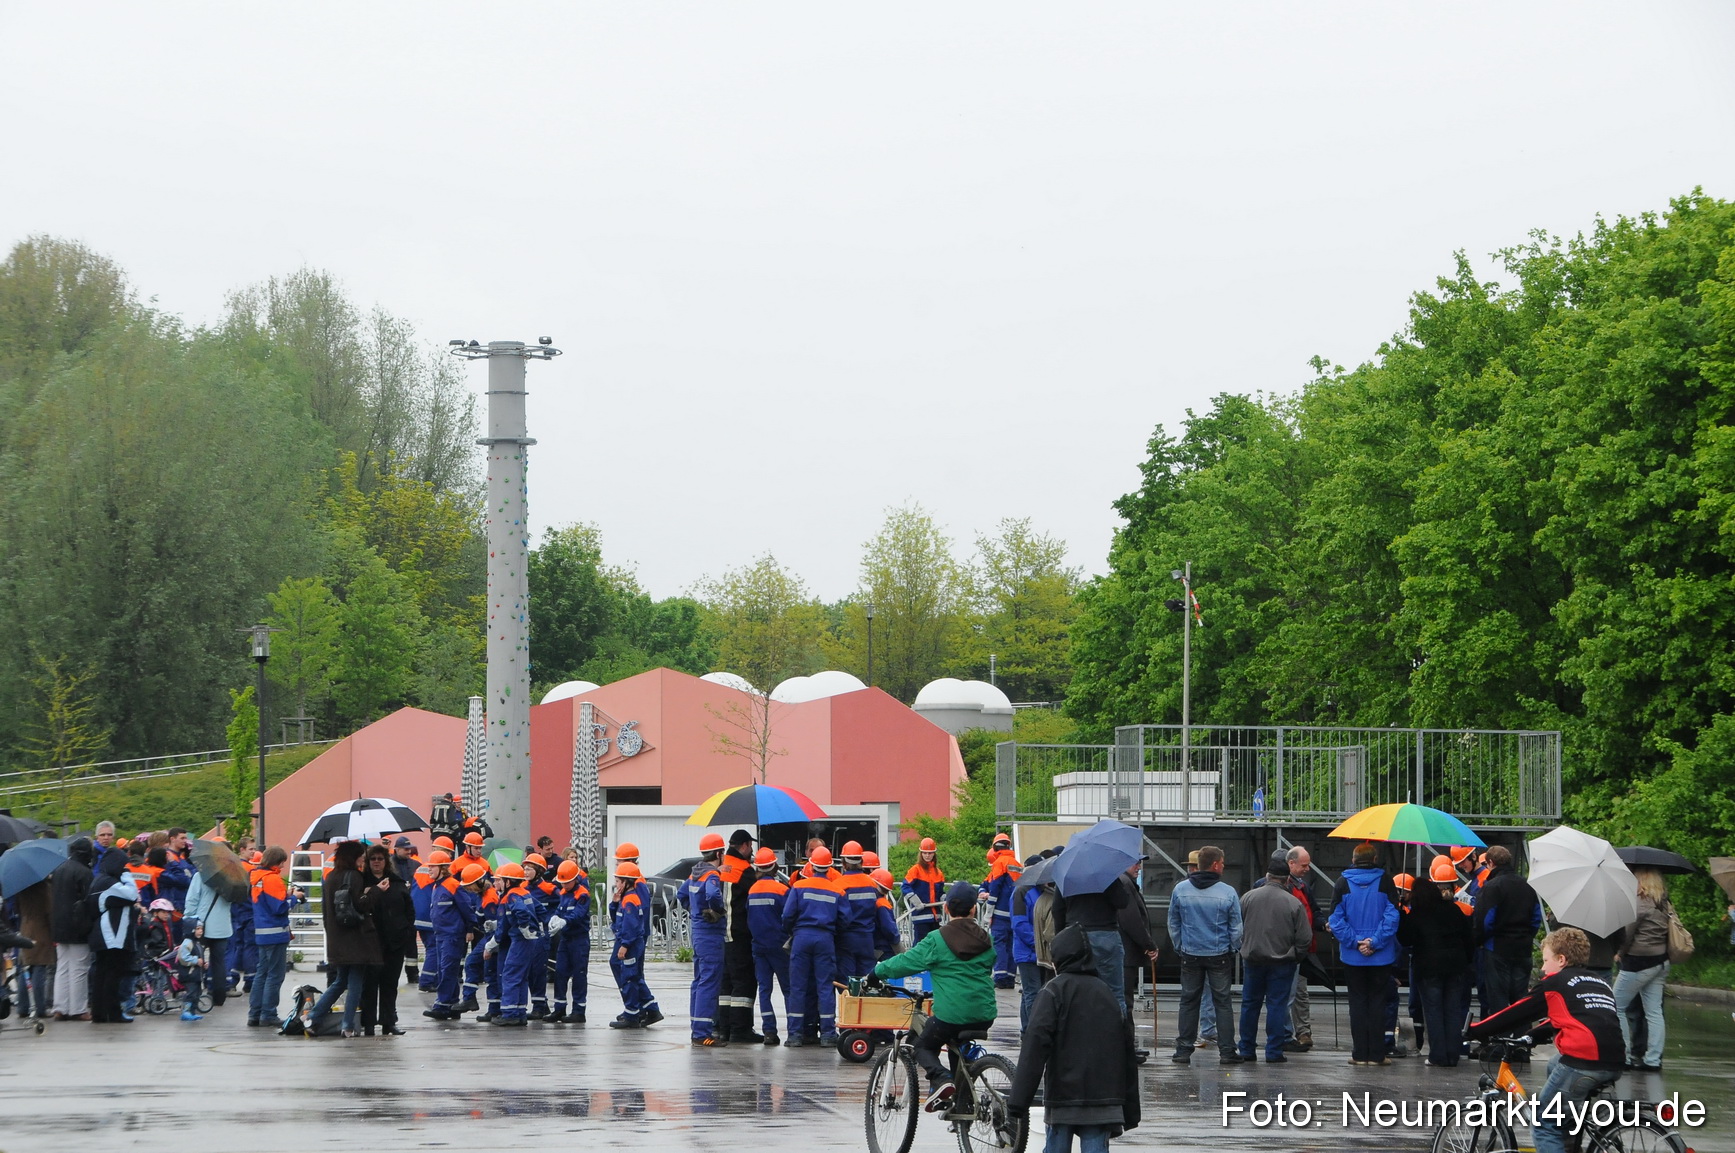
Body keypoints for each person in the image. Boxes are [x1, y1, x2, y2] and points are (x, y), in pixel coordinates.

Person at [1467, 928, 1624, 1153]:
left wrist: (1476, 1031)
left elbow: (1517, 1012)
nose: (1542, 968)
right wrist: (1532, 1036)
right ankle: (1568, 1139)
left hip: (1583, 1060)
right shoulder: (1599, 981)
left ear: (1561, 960)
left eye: (1545, 960)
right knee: (1555, 1064)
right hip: (1614, 1058)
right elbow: (1574, 1019)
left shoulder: (1555, 983)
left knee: (1543, 1122)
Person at [1008, 923, 1142, 1153]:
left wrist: (1018, 1101)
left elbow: (1034, 1047)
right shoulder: (1106, 993)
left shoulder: (1053, 992)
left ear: (1057, 960)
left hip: (1063, 1097)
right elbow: (1126, 1052)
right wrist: (1130, 1108)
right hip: (1103, 1100)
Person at [873, 881, 997, 1113]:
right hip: (984, 1013)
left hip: (951, 1014)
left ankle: (941, 1079)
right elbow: (990, 964)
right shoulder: (985, 939)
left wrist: (876, 972)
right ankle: (963, 1103)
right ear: (973, 909)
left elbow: (906, 962)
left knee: (922, 1046)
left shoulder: (937, 939)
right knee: (955, 1044)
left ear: (947, 908)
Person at [1327, 842, 1401, 1065]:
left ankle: (1359, 1054)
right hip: (1381, 955)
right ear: (1375, 858)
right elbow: (1392, 917)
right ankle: (1378, 1055)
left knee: (1357, 1003)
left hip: (1352, 956)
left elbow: (1335, 920)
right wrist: (1375, 942)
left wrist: (1355, 941)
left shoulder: (1342, 883)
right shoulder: (1386, 881)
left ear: (1353, 859)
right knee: (1378, 1003)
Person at [1168, 845, 1242, 1065]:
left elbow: (1173, 922)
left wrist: (1180, 946)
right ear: (1216, 864)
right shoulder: (1227, 892)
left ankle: (1183, 1051)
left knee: (1188, 1002)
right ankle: (1227, 1052)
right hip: (1219, 954)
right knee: (1223, 1003)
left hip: (1190, 953)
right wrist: (1232, 948)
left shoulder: (1180, 890)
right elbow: (1236, 927)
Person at [1401, 855, 1476, 1067]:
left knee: (1433, 1011)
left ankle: (1437, 1055)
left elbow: (1406, 940)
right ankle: (1452, 1054)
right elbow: (1469, 938)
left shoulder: (1418, 914)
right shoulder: (1453, 909)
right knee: (1452, 1009)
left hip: (1428, 968)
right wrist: (1467, 962)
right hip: (1456, 966)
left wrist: (1402, 916)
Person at [1237, 852, 1310, 1063]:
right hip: (1282, 962)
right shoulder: (1293, 903)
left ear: (1267, 876)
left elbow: (1237, 927)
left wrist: (1245, 947)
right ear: (1287, 879)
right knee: (1277, 1006)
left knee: (1250, 1005)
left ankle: (1247, 1049)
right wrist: (1295, 955)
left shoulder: (1248, 897)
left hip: (1252, 960)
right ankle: (1274, 1052)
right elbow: (1304, 937)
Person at [304, 840, 381, 1038]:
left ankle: (313, 1017)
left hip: (336, 938)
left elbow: (326, 911)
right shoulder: (354, 877)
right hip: (355, 939)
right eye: (360, 856)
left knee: (339, 981)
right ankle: (348, 1025)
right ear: (353, 857)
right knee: (355, 981)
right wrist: (375, 891)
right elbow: (361, 906)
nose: (363, 859)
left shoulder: (330, 878)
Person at [782, 845, 843, 1047]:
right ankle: (827, 1034)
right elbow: (846, 918)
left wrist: (793, 932)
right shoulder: (837, 889)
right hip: (825, 938)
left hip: (801, 937)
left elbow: (787, 915)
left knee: (798, 987)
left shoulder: (799, 887)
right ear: (830, 866)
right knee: (825, 987)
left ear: (811, 865)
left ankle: (795, 1035)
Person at [1473, 844, 1542, 1019]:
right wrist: (1526, 937)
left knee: (1498, 1001)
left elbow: (1485, 921)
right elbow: (1535, 919)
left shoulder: (1492, 887)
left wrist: (1478, 940)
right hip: (1523, 948)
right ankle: (1520, 1043)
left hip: (1497, 949)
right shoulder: (1527, 886)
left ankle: (1501, 1044)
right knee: (1520, 1000)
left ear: (1490, 862)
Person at [1612, 867, 1671, 1071]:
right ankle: (1653, 1060)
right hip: (1661, 961)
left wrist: (1619, 952)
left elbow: (1627, 934)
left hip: (1638, 962)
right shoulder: (1664, 903)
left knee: (1615, 1006)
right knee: (1654, 1012)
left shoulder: (1639, 903)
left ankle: (1624, 1055)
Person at [361, 843, 416, 1036]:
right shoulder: (362, 883)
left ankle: (388, 1022)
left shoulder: (397, 883)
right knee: (369, 985)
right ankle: (367, 1023)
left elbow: (409, 910)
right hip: (371, 943)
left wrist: (405, 931)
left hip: (395, 942)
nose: (376, 862)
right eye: (373, 859)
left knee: (390, 984)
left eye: (380, 859)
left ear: (386, 861)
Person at [248, 846, 302, 1028]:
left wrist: (285, 895)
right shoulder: (272, 879)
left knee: (261, 973)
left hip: (262, 933)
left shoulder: (257, 877)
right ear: (278, 862)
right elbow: (279, 907)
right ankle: (268, 1014)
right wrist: (294, 897)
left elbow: (267, 902)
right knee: (275, 975)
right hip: (275, 933)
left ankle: (254, 1014)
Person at [493, 861, 553, 1027]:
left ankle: (510, 1013)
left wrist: (524, 926)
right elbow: (540, 909)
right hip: (530, 940)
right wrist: (540, 925)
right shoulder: (524, 892)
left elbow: (520, 911)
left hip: (520, 940)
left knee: (511, 974)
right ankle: (519, 1012)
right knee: (520, 976)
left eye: (502, 879)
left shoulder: (512, 895)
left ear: (508, 881)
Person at [718, 829, 762, 1044]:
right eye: (750, 846)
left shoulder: (721, 866)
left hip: (721, 934)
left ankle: (723, 1028)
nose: (751, 850)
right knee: (744, 982)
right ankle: (740, 1029)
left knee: (726, 984)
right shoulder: (744, 870)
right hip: (740, 933)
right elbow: (759, 891)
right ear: (744, 845)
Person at [684, 834, 729, 1046]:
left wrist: (695, 911)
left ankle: (697, 1027)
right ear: (719, 853)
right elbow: (713, 893)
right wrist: (718, 909)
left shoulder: (695, 874)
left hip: (698, 932)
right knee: (710, 982)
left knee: (699, 980)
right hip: (710, 934)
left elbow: (681, 894)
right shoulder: (711, 875)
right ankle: (702, 1033)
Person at [424, 859, 482, 1021]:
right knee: (444, 969)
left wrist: (470, 929)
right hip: (441, 935)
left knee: (447, 969)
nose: (429, 869)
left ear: (442, 868)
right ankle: (451, 1005)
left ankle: (442, 1005)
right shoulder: (437, 886)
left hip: (452, 935)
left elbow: (466, 908)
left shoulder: (453, 885)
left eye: (432, 866)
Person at [607, 861, 663, 1029]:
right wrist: (614, 903)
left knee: (630, 977)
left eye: (618, 881)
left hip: (630, 944)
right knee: (634, 976)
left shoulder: (630, 900)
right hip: (629, 942)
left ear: (626, 882)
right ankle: (650, 1008)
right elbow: (617, 918)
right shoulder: (625, 899)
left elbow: (631, 927)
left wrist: (624, 945)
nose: (616, 884)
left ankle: (632, 1013)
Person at [87, 851, 139, 1024]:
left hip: (101, 934)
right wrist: (127, 876)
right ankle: (114, 1013)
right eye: (123, 865)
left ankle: (99, 1014)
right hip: (112, 935)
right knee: (113, 976)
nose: (125, 868)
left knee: (101, 975)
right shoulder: (110, 883)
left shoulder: (99, 880)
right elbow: (132, 895)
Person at [747, 847, 792, 1046]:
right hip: (780, 946)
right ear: (775, 866)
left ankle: (769, 1031)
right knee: (789, 989)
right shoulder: (782, 890)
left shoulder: (752, 890)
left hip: (759, 946)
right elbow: (790, 916)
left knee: (764, 990)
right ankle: (794, 1031)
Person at [49, 836, 95, 1021]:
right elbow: (88, 900)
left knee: (63, 967)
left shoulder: (59, 869)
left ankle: (60, 1007)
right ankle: (78, 1008)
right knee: (79, 968)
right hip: (78, 926)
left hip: (59, 924)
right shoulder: (84, 872)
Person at [1115, 862, 1156, 1045]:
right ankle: (1125, 1047)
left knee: (1123, 1000)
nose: (1139, 866)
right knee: (1124, 1001)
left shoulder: (1124, 881)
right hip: (1125, 953)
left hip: (1124, 952)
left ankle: (1124, 1046)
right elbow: (1131, 919)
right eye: (1135, 863)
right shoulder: (1124, 882)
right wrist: (1148, 944)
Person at [182, 865, 232, 1010]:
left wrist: (188, 918)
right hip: (222, 927)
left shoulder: (201, 876)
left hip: (201, 925)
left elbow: (192, 899)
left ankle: (195, 995)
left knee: (197, 961)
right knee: (219, 962)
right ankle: (219, 997)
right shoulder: (231, 880)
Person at [548, 860, 590, 1024]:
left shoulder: (583, 894)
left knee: (579, 975)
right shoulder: (564, 893)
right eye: (562, 882)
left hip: (579, 939)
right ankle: (559, 1009)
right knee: (560, 973)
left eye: (566, 882)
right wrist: (555, 918)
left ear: (575, 879)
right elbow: (559, 910)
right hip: (566, 939)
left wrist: (565, 921)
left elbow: (578, 914)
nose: (563, 885)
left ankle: (579, 1011)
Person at [834, 840, 880, 986]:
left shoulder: (838, 885)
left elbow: (836, 916)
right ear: (861, 860)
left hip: (846, 939)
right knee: (867, 981)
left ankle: (850, 1008)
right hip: (867, 938)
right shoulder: (872, 884)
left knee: (847, 982)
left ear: (843, 862)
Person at [981, 834, 1022, 990]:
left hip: (999, 913)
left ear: (995, 847)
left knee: (999, 945)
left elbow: (995, 888)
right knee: (1011, 945)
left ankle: (1000, 977)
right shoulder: (1016, 864)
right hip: (1014, 912)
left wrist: (988, 913)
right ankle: (1010, 978)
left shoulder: (999, 863)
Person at [902, 837, 946, 945]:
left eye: (930, 853)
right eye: (925, 853)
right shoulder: (915, 870)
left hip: (935, 918)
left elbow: (940, 893)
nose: (927, 855)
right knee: (920, 946)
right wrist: (916, 902)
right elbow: (905, 887)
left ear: (934, 854)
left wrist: (947, 900)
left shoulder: (938, 873)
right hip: (920, 916)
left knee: (934, 946)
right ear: (921, 853)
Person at [175, 919, 208, 1022]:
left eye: (201, 929)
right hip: (189, 975)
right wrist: (195, 960)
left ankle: (192, 1011)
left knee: (197, 993)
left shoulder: (196, 943)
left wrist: (204, 964)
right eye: (198, 929)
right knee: (191, 993)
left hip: (196, 974)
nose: (200, 931)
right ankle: (186, 1011)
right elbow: (183, 958)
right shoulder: (187, 943)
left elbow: (199, 957)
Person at [870, 868, 902, 960]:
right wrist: (897, 943)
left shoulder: (872, 901)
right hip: (885, 948)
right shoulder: (882, 903)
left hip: (876, 945)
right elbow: (889, 929)